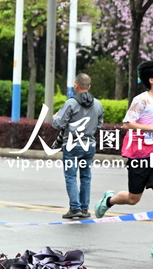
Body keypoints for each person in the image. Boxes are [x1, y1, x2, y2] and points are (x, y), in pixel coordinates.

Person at [94, 60, 153, 258]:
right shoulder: (141, 100)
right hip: (139, 154)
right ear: (151, 80)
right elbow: (127, 124)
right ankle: (109, 199)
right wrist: (152, 128)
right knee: (134, 198)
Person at [52, 73, 104, 219]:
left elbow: (58, 124)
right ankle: (84, 208)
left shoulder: (71, 103)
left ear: (76, 86)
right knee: (86, 176)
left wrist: (55, 117)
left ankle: (75, 209)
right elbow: (99, 125)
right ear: (89, 87)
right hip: (89, 146)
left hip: (72, 146)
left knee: (71, 176)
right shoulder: (98, 104)